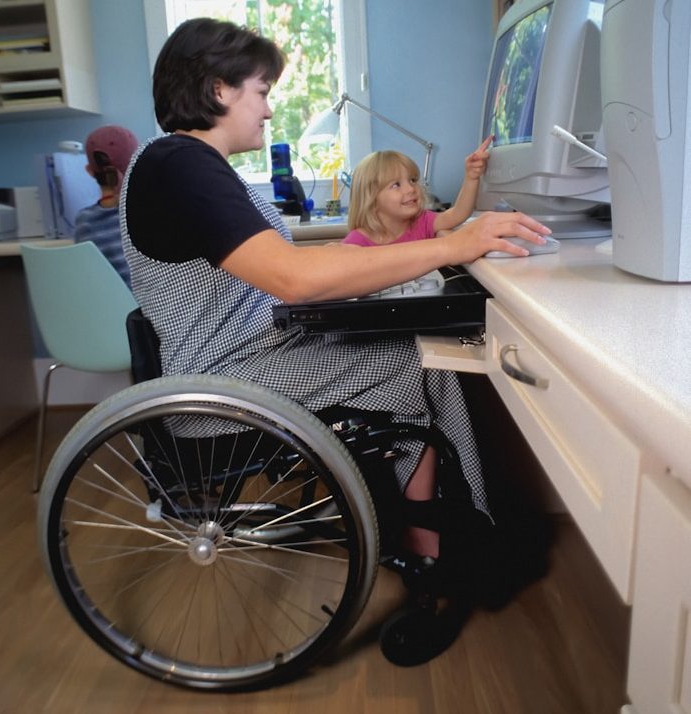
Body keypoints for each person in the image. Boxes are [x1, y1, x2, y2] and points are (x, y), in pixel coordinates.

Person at [122, 18, 550, 562]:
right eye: (262, 92)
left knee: (417, 352)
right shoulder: (180, 165)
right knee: (416, 356)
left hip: (247, 358)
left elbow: (288, 268)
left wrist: (366, 260)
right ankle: (440, 537)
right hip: (226, 381)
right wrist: (452, 246)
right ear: (219, 89)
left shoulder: (188, 166)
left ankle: (440, 528)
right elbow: (293, 278)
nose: (269, 110)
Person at [343, 141, 492, 247]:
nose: (410, 189)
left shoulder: (422, 222)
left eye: (412, 180)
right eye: (396, 185)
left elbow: (458, 213)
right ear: (371, 199)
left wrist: (471, 177)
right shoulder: (357, 242)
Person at [74, 124, 138, 286]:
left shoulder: (83, 221)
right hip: (147, 301)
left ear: (89, 170)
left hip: (108, 302)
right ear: (137, 165)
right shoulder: (152, 212)